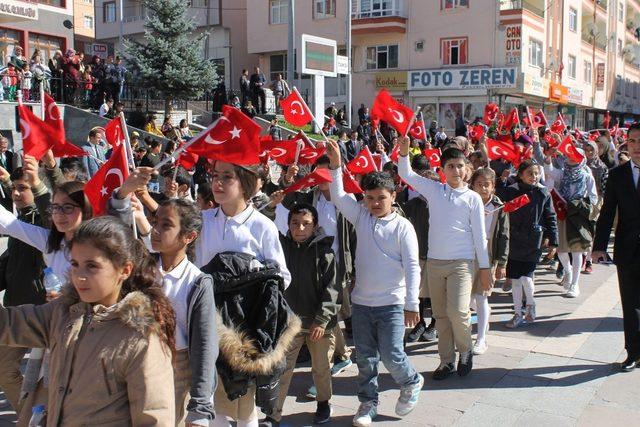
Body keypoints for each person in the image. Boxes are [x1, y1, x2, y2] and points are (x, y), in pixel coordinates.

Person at [0, 216, 176, 425]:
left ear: (124, 270)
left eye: (92, 266)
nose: (79, 276)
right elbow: (9, 324)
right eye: (75, 264)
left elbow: (155, 417)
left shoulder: (140, 338)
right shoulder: (63, 312)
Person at [325, 139, 424, 427]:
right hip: (362, 303)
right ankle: (368, 403)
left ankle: (411, 381)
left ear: (393, 195)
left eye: (380, 197)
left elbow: (413, 266)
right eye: (369, 198)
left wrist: (411, 303)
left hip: (392, 303)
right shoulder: (360, 216)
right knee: (366, 360)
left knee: (393, 355)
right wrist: (335, 165)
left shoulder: (403, 227)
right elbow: (339, 195)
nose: (374, 203)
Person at [195, 161, 291, 426]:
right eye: (215, 176)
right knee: (212, 398)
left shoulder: (262, 226)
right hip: (207, 321)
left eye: (228, 177)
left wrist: (248, 284)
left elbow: (282, 276)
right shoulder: (202, 221)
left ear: (246, 184)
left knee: (243, 400)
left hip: (244, 330)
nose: (218, 182)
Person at [397, 137, 491, 381]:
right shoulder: (435, 190)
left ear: (467, 170)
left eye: (460, 166)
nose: (456, 171)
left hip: (462, 263)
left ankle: (466, 351)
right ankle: (446, 361)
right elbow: (405, 173)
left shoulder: (472, 199)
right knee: (439, 315)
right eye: (450, 166)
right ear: (443, 171)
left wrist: (485, 268)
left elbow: (480, 237)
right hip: (435, 263)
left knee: (458, 311)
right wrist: (404, 151)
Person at [266, 204, 340, 425]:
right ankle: (273, 414)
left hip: (318, 323)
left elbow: (333, 289)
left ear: (315, 225)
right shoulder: (281, 247)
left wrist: (322, 320)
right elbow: (265, 226)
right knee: (282, 369)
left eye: (306, 224)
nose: (300, 228)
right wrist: (270, 206)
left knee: (321, 368)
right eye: (295, 223)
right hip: (290, 323)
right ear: (288, 225)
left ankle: (323, 403)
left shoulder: (324, 251)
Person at [0, 163, 49, 414]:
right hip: (17, 311)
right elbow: (9, 265)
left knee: (55, 378)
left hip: (43, 313)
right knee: (6, 371)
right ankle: (32, 417)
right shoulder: (19, 222)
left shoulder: (44, 223)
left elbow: (48, 216)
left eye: (22, 189)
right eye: (13, 189)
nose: (16, 194)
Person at [592, 122, 640, 372]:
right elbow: (607, 212)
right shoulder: (618, 175)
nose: (636, 147)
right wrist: (599, 246)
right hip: (628, 248)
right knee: (630, 304)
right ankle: (633, 352)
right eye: (632, 141)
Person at [498, 159, 558, 328]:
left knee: (527, 276)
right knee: (515, 278)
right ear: (521, 175)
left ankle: (530, 304)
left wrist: (553, 240)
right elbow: (498, 202)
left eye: (537, 173)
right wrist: (501, 181)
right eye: (530, 173)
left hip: (534, 240)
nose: (534, 176)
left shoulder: (543, 192)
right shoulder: (511, 191)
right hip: (514, 240)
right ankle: (518, 313)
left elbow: (550, 217)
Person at [546, 147, 597, 298]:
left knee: (576, 251)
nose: (571, 158)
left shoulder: (587, 176)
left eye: (576, 156)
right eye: (570, 155)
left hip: (578, 217)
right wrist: (548, 158)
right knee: (561, 250)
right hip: (562, 215)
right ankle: (567, 271)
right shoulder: (562, 173)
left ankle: (575, 284)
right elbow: (550, 171)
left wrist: (577, 204)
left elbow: (593, 198)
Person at [469, 168, 509, 354]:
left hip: (488, 256)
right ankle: (473, 325)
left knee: (481, 295)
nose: (483, 188)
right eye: (479, 184)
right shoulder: (467, 202)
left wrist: (502, 262)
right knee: (467, 298)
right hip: (466, 255)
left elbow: (504, 235)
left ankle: (481, 338)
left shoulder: (498, 207)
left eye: (487, 184)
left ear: (493, 187)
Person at [402, 156, 439, 343]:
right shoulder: (413, 204)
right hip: (418, 255)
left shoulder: (442, 205)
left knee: (435, 295)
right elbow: (399, 215)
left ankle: (434, 325)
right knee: (418, 293)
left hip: (438, 256)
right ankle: (419, 324)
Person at [0, 136, 15, 212]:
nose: (4, 149)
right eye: (2, 147)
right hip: (0, 186)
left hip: (9, 184)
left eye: (5, 147)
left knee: (9, 207)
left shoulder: (10, 154)